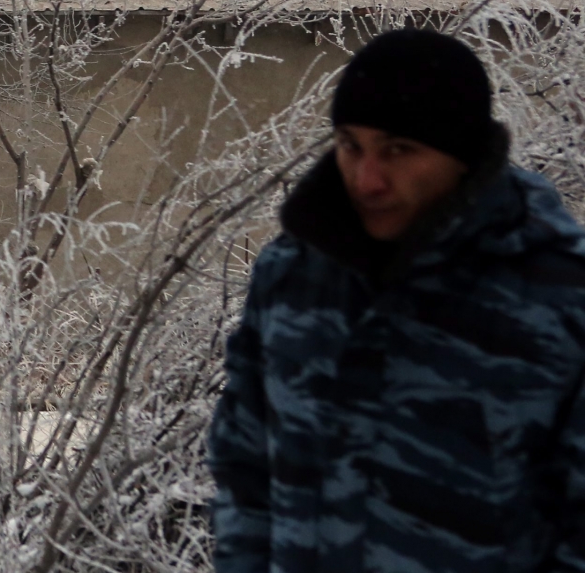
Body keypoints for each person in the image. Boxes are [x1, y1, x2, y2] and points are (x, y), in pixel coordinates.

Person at [208, 28, 585, 572]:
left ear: (464, 157)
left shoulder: (558, 294)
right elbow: (243, 465)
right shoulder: (291, 277)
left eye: (398, 150)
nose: (367, 179)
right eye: (349, 146)